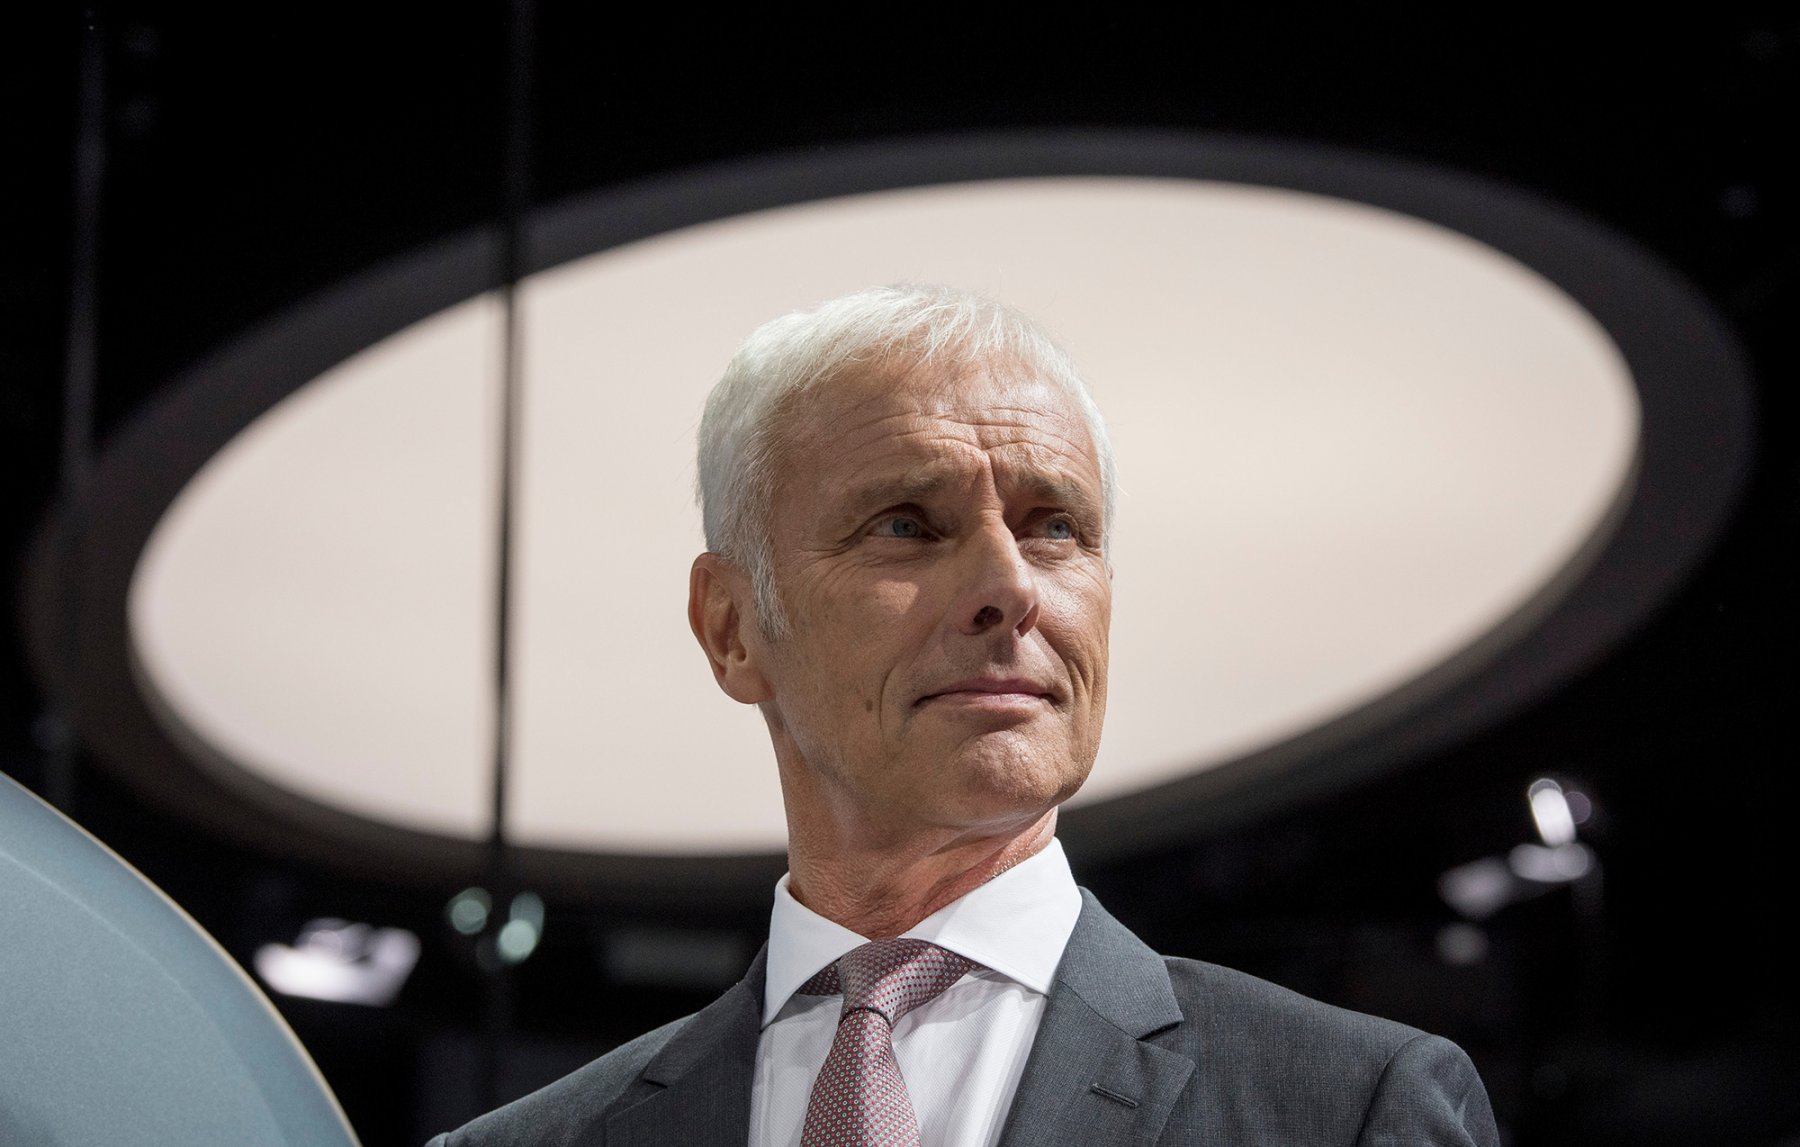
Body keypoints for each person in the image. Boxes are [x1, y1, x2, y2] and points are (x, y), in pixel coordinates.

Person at [429, 284, 1499, 1146]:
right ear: (731, 626)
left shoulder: (1353, 1110)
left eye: (1055, 528)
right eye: (906, 523)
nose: (1009, 584)